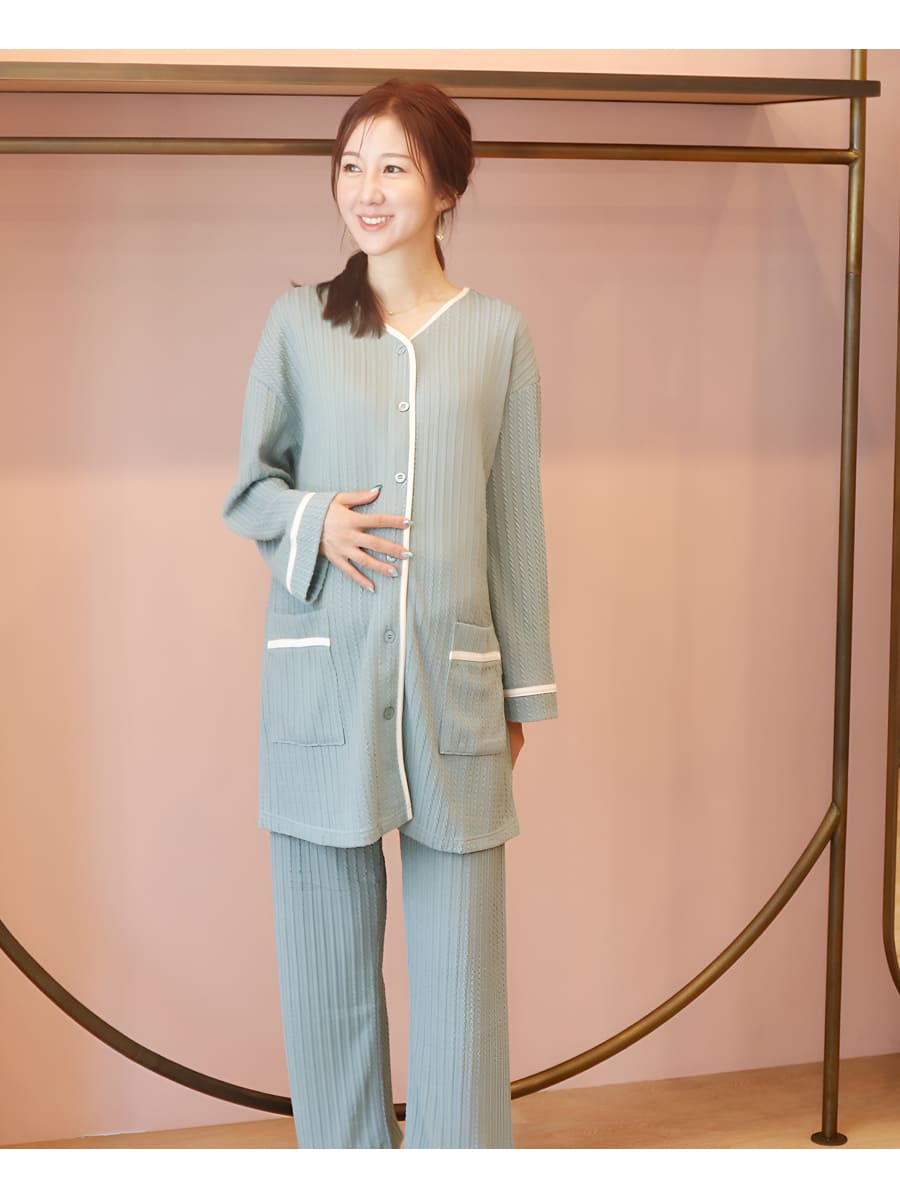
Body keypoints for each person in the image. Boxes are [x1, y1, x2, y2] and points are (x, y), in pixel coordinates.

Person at [221, 77, 559, 1149]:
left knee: (463, 992)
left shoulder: (498, 336)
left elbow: (515, 526)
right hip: (321, 684)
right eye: (351, 166)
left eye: (394, 167)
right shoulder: (297, 323)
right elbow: (250, 491)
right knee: (327, 980)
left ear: (448, 187)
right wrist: (315, 518)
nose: (366, 190)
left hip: (453, 687)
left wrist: (522, 699)